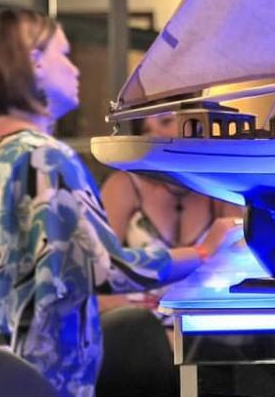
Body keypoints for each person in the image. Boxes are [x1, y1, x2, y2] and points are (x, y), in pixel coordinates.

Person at [0, 8, 230, 397]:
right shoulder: (44, 157)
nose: (74, 69)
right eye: (64, 55)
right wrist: (204, 251)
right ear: (33, 62)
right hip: (42, 391)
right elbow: (109, 268)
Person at [100, 108, 242, 299]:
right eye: (146, 130)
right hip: (138, 313)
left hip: (202, 311)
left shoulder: (218, 186)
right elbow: (98, 274)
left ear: (197, 124)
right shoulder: (124, 185)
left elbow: (243, 257)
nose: (154, 136)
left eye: (166, 121)